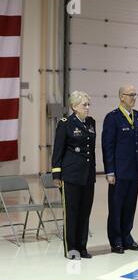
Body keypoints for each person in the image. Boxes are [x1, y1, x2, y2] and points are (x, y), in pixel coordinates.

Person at [102, 85, 138, 254]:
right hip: (119, 172)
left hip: (134, 171)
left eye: (135, 94)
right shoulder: (112, 118)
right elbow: (108, 146)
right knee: (116, 206)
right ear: (122, 97)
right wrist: (110, 171)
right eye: (131, 95)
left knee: (130, 206)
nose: (134, 97)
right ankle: (116, 241)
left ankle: (127, 237)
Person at [51, 91, 96, 260]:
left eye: (88, 104)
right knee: (72, 213)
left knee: (85, 212)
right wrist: (56, 175)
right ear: (75, 107)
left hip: (87, 176)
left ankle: (82, 247)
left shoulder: (91, 123)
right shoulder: (66, 124)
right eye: (84, 105)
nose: (87, 108)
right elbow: (58, 151)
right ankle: (72, 249)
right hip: (71, 175)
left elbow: (91, 151)